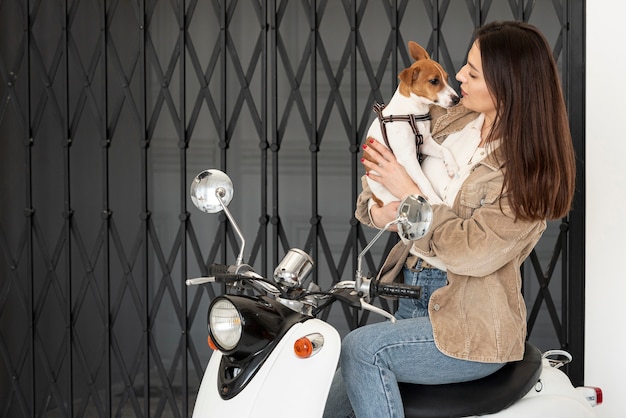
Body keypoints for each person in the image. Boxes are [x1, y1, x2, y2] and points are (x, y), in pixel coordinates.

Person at [323, 21, 576, 418]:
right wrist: (378, 209)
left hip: (472, 320)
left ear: (508, 85)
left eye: (473, 73)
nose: (458, 76)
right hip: (412, 292)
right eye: (465, 66)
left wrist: (408, 191)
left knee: (361, 349)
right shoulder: (450, 119)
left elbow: (472, 252)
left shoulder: (527, 170)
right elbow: (379, 175)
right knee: (329, 400)